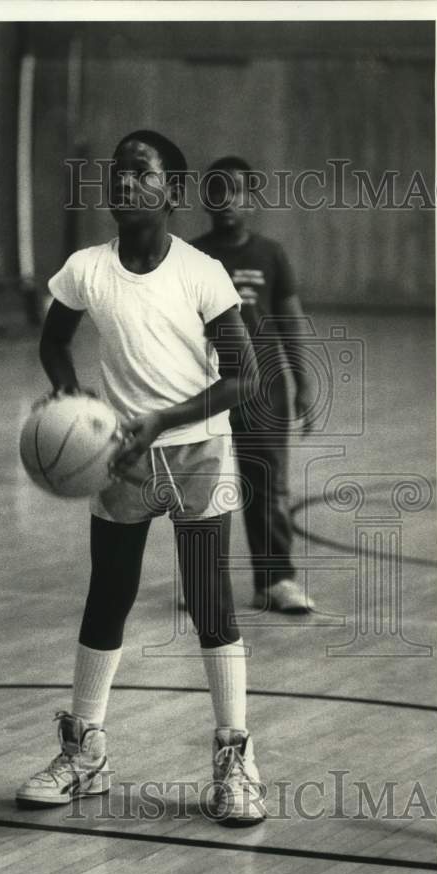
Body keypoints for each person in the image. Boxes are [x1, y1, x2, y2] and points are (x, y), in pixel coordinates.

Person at [16, 130, 266, 825]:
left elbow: (244, 377)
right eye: (117, 173)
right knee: (109, 596)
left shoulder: (201, 273)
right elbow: (53, 341)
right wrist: (69, 395)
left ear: (173, 193)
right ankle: (86, 752)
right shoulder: (87, 268)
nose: (124, 183)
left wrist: (162, 420)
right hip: (119, 457)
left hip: (193, 454)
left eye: (141, 173)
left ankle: (235, 757)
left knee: (212, 604)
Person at [192, 157, 316, 613]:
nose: (227, 202)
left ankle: (275, 580)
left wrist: (302, 381)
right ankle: (203, 581)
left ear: (252, 199)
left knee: (267, 486)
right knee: (205, 486)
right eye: (217, 192)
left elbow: (289, 318)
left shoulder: (271, 254)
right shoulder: (188, 255)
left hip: (266, 389)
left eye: (237, 192)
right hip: (209, 387)